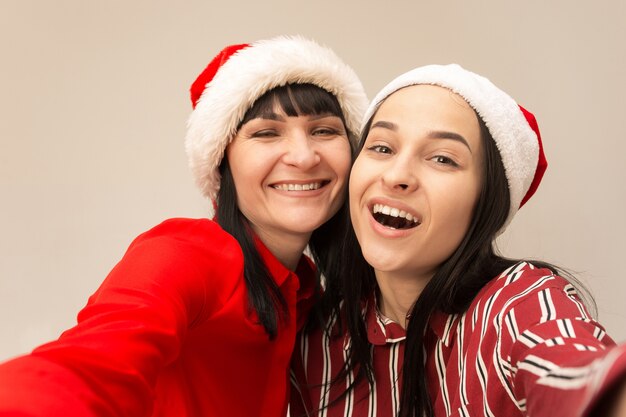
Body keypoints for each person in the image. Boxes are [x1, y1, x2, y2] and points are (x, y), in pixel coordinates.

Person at [0, 36, 368, 417]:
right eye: (266, 133)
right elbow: (87, 368)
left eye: (324, 130)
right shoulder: (188, 252)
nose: (305, 156)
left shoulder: (306, 295)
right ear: (222, 165)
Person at [290, 64, 626, 417]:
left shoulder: (517, 305)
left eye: (443, 159)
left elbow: (575, 369)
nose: (397, 176)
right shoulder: (318, 336)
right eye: (382, 148)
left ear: (486, 203)